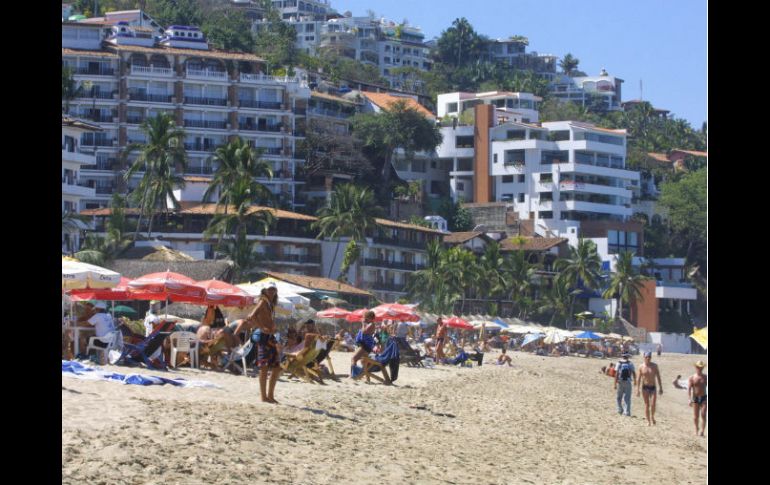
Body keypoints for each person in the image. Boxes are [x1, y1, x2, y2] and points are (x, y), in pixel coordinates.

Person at [246, 283, 281, 403]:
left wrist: (272, 327)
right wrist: (262, 327)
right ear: (265, 290)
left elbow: (265, 318)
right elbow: (251, 316)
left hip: (270, 337)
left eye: (274, 289)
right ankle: (264, 397)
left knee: (276, 367)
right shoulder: (262, 301)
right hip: (263, 337)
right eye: (270, 289)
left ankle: (270, 396)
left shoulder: (270, 304)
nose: (272, 291)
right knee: (264, 368)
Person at [636, 351, 663, 426]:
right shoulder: (641, 366)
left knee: (653, 404)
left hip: (653, 387)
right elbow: (638, 379)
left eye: (649, 357)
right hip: (645, 387)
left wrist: (660, 387)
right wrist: (637, 389)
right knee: (647, 405)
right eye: (646, 357)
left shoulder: (654, 366)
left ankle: (652, 416)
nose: (648, 358)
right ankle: (648, 421)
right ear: (644, 357)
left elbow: (658, 377)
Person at [351, 311, 376, 376]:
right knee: (363, 361)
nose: (365, 319)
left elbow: (364, 331)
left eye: (366, 318)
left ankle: (353, 375)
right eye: (364, 318)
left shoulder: (371, 324)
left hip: (366, 345)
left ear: (370, 318)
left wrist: (363, 324)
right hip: (365, 345)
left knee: (354, 358)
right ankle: (365, 376)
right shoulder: (369, 324)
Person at [688, 361, 708, 436]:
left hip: (704, 398)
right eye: (699, 367)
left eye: (701, 367)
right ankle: (696, 429)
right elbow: (689, 389)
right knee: (696, 417)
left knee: (703, 414)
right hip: (695, 398)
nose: (700, 368)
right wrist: (689, 399)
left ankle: (702, 431)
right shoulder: (692, 377)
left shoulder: (705, 377)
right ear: (696, 367)